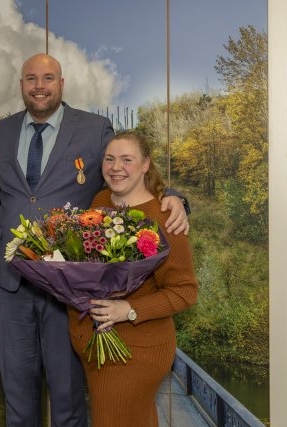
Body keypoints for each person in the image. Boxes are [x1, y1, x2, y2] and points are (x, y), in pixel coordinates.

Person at [0, 53, 189, 427]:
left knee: (68, 399)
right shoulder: (1, 131)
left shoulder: (95, 129)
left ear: (61, 84)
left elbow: (129, 167)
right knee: (16, 396)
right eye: (31, 79)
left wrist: (174, 194)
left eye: (48, 78)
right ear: (21, 85)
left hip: (69, 294)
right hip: (11, 286)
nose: (39, 86)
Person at [67, 130, 198, 426]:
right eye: (110, 159)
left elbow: (185, 291)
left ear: (145, 165)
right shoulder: (100, 201)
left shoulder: (166, 219)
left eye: (127, 160)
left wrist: (128, 310)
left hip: (134, 351)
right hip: (98, 344)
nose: (116, 167)